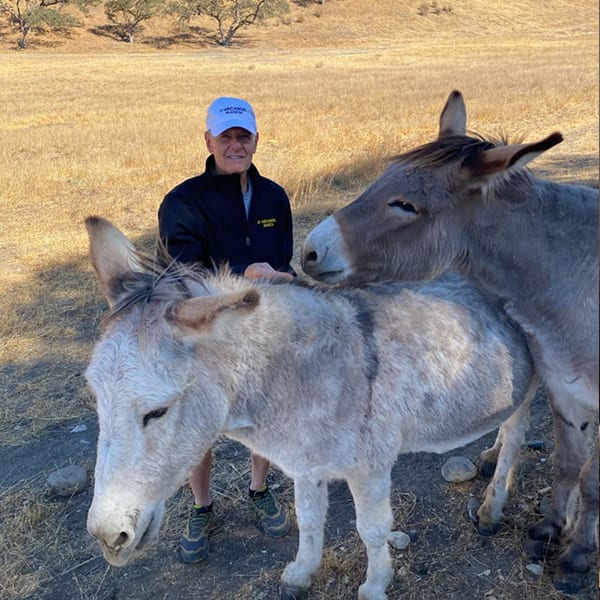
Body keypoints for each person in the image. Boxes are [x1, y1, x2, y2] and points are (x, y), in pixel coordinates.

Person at [158, 96, 295, 564]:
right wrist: (245, 275)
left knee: (265, 418)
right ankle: (202, 506)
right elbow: (180, 276)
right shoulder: (182, 202)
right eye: (226, 136)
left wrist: (284, 278)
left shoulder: (275, 196)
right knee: (201, 428)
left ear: (257, 139)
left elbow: (283, 262)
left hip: (261, 332)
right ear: (208, 140)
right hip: (206, 337)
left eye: (244, 136)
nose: (235, 145)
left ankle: (259, 489)